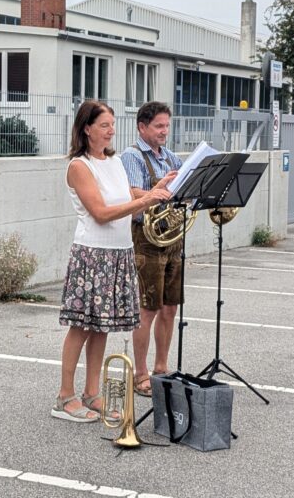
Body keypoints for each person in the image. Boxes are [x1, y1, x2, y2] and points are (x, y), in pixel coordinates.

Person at [53, 100, 174, 422]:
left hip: (118, 253)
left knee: (102, 327)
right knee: (81, 326)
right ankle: (65, 397)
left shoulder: (113, 161)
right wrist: (147, 199)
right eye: (104, 125)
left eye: (112, 124)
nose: (111, 130)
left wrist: (155, 189)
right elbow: (101, 212)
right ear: (86, 128)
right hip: (93, 254)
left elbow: (124, 196)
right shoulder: (79, 166)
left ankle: (92, 394)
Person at [120, 101, 183, 397]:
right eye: (159, 126)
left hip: (171, 237)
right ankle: (140, 372)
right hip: (146, 237)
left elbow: (183, 188)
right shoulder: (132, 156)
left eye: (167, 126)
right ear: (142, 127)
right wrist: (162, 192)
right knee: (148, 308)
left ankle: (161, 366)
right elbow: (132, 193)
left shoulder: (170, 157)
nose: (164, 131)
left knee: (170, 306)